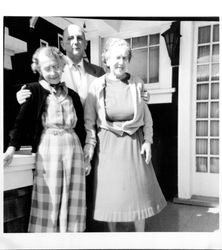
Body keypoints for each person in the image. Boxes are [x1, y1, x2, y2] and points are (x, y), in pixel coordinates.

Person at [83, 38, 167, 232]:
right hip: (108, 145)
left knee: (138, 193)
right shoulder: (97, 86)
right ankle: (113, 237)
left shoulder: (137, 83)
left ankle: (139, 237)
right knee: (111, 194)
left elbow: (147, 117)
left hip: (133, 143)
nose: (120, 62)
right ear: (107, 60)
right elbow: (90, 122)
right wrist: (89, 146)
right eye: (116, 57)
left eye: (124, 58)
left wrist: (148, 141)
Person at [4, 46, 86, 232]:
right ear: (39, 70)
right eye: (48, 68)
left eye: (56, 67)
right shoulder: (32, 90)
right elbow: (20, 123)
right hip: (49, 151)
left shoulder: (72, 95)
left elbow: (80, 128)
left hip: (74, 151)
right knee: (49, 196)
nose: (53, 72)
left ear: (62, 66)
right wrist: (11, 148)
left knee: (72, 198)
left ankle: (70, 239)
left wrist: (86, 153)